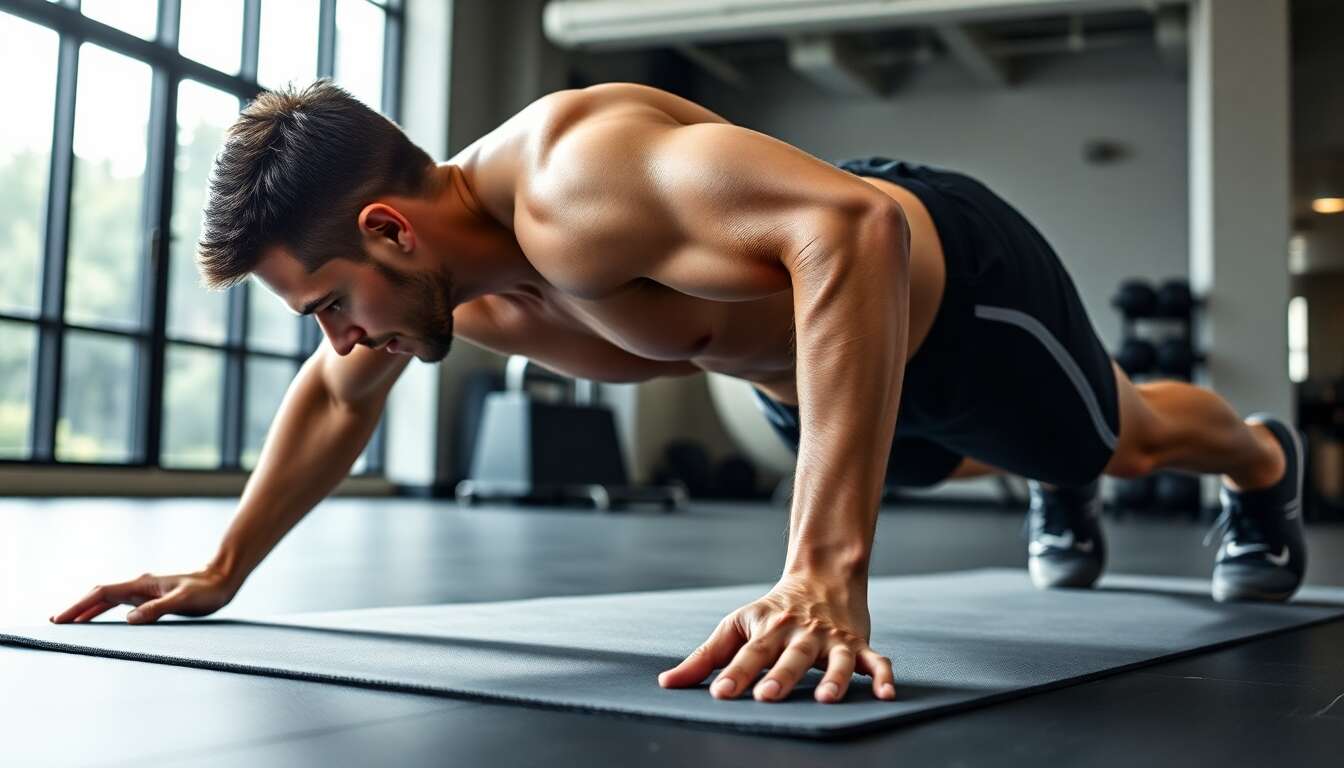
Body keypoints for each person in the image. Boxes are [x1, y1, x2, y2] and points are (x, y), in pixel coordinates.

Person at [51, 79, 1305, 706]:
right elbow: (337, 400)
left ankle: (1258, 464)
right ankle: (1038, 483)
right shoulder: (439, 291)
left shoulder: (576, 180)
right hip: (800, 374)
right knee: (913, 448)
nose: (337, 337)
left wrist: (823, 569)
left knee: (1118, 443)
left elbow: (854, 232)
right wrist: (224, 568)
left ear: (389, 229)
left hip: (949, 296)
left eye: (328, 303)